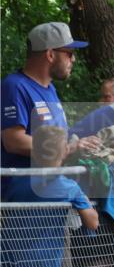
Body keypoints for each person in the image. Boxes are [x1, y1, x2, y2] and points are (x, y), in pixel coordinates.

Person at [1, 125, 99, 267]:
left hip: (8, 264)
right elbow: (92, 222)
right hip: (43, 266)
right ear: (62, 151)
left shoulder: (16, 181)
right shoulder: (67, 186)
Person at [2, 22, 99, 176]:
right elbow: (14, 141)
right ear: (50, 55)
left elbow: (57, 138)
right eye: (69, 53)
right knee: (80, 198)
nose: (73, 59)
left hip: (54, 176)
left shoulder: (50, 88)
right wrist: (68, 148)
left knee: (112, 161)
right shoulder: (14, 86)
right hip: (26, 180)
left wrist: (82, 144)